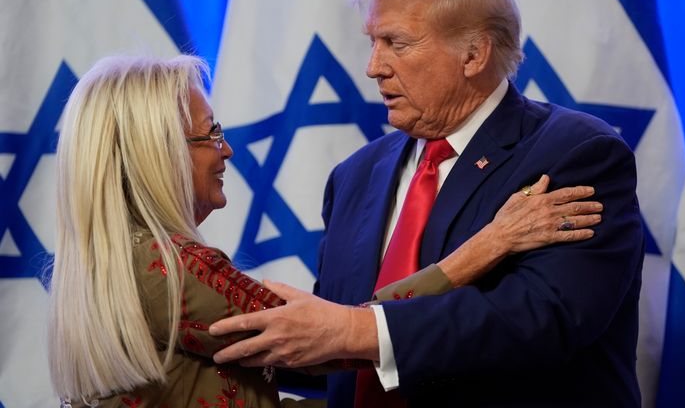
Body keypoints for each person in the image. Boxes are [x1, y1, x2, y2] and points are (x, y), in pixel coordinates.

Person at [209, 0, 644, 408]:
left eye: (395, 43)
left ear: (474, 54)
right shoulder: (354, 176)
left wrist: (353, 330)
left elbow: (543, 316)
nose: (373, 67)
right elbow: (337, 357)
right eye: (372, 42)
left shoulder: (575, 154)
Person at [47, 55, 600, 407]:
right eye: (210, 135)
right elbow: (326, 342)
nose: (228, 150)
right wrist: (483, 249)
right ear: (156, 152)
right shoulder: (175, 268)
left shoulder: (119, 258)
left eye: (396, 43)